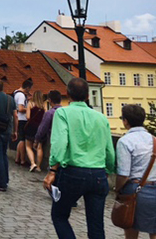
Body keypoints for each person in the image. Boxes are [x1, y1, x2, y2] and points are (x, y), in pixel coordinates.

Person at [43, 77, 115, 239]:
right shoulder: (101, 118)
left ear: (67, 95)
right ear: (88, 96)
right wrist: (108, 170)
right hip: (98, 174)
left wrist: (52, 169)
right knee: (96, 226)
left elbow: (60, 143)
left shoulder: (62, 113)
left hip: (72, 173)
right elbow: (109, 150)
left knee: (60, 216)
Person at [115, 104, 156, 239]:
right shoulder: (154, 140)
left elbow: (124, 174)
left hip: (136, 191)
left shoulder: (125, 141)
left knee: (130, 226)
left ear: (125, 121)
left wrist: (118, 189)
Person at [33, 90, 62, 160]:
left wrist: (36, 140)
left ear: (50, 100)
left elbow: (42, 128)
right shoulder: (65, 112)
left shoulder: (49, 113)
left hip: (52, 139)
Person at [24, 90, 46, 172]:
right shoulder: (43, 106)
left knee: (28, 146)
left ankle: (32, 163)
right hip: (40, 128)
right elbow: (45, 118)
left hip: (31, 127)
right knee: (39, 147)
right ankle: (39, 166)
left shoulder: (30, 104)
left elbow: (28, 117)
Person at [14, 79, 33, 166]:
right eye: (30, 89)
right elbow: (21, 109)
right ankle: (22, 160)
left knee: (21, 139)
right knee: (22, 140)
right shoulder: (21, 96)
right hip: (22, 120)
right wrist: (29, 109)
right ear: (27, 88)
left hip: (19, 119)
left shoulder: (16, 93)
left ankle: (18, 158)